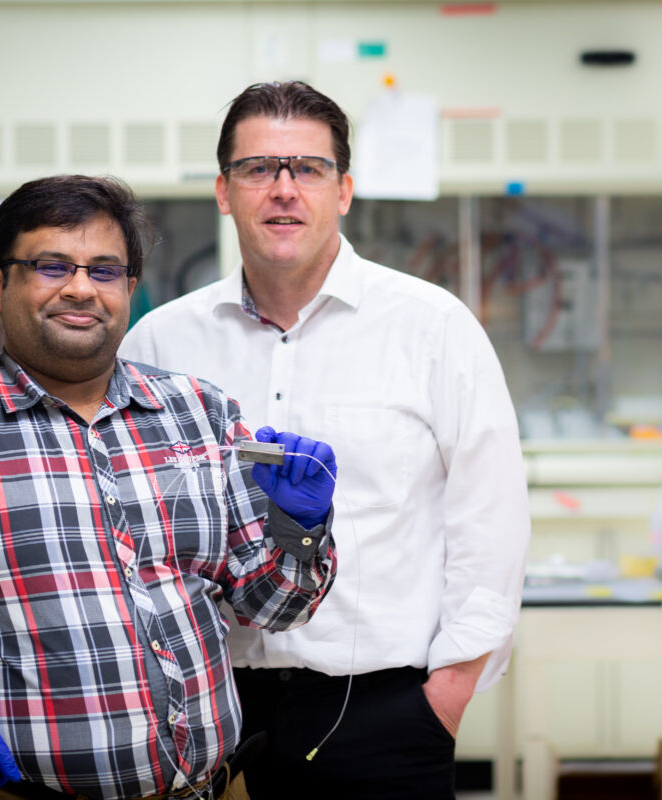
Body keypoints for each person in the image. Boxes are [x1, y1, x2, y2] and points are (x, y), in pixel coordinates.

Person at [0, 175, 340, 800]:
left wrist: (301, 530)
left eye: (105, 270)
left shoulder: (200, 412)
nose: (82, 288)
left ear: (129, 289)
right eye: (52, 266)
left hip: (214, 788)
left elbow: (270, 607)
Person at [119, 81, 530, 799]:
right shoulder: (161, 340)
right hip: (205, 713)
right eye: (258, 169)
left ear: (343, 190)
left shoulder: (431, 327)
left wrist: (449, 693)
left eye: (307, 168)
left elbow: (490, 517)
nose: (283, 189)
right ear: (223, 190)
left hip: (382, 714)